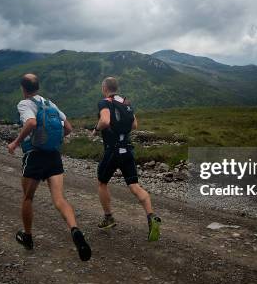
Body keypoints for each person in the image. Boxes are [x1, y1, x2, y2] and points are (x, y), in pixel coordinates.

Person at [8, 73, 91, 261]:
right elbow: (68, 128)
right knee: (60, 199)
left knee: (28, 197)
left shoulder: (25, 104)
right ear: (38, 87)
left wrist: (15, 142)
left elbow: (31, 122)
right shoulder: (50, 103)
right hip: (53, 156)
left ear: (23, 88)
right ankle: (75, 230)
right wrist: (55, 139)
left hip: (34, 155)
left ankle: (27, 237)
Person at [93, 76, 161, 241]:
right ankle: (151, 217)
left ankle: (108, 218)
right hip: (127, 149)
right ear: (116, 88)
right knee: (134, 186)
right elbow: (134, 125)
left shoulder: (105, 102)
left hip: (113, 150)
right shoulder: (126, 102)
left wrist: (96, 129)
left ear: (104, 88)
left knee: (102, 182)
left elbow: (105, 120)